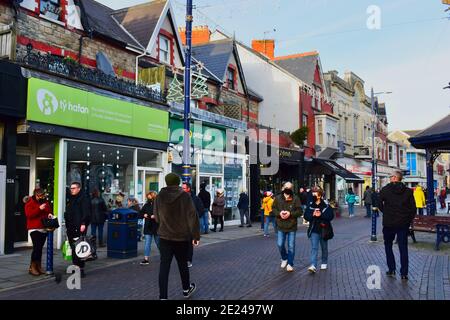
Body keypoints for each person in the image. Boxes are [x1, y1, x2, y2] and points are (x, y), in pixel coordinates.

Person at [154, 173, 200, 300]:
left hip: (164, 237)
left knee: (164, 266)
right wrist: (195, 236)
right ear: (178, 182)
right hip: (181, 237)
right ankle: (186, 289)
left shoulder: (159, 197)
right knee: (182, 264)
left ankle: (163, 296)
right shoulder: (185, 196)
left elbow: (157, 217)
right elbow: (192, 217)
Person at [378, 170, 416, 281]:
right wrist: (407, 220)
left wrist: (386, 212)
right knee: (403, 248)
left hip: (389, 223)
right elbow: (413, 209)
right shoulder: (408, 191)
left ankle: (391, 269)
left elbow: (379, 204)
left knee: (388, 246)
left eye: (391, 176)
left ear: (395, 178)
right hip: (403, 224)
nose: (390, 178)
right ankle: (404, 273)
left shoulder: (385, 190)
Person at [272, 182, 302, 272]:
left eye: (289, 187)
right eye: (286, 187)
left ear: (291, 189)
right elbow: (273, 209)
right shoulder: (277, 198)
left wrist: (290, 214)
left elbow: (300, 211)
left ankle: (290, 263)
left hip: (291, 226)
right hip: (281, 225)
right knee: (280, 244)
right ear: (283, 188)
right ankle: (284, 258)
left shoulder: (296, 198)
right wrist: (279, 214)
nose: (287, 189)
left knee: (291, 246)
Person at [304, 186, 334, 273]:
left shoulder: (326, 205)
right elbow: (306, 216)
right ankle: (313, 265)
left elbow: (330, 216)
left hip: (324, 229)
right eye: (313, 192)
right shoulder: (310, 205)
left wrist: (320, 214)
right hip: (314, 229)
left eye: (315, 193)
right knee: (314, 247)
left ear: (320, 195)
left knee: (324, 247)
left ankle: (324, 261)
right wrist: (313, 214)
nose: (313, 194)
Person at [64, 182, 91, 278]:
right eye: (71, 188)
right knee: (73, 247)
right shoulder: (71, 199)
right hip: (71, 227)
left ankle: (80, 268)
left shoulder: (83, 198)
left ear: (79, 188)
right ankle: (76, 266)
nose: (72, 190)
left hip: (79, 227)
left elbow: (86, 212)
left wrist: (83, 223)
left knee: (79, 248)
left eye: (74, 188)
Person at [24, 188, 53, 276]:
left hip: (43, 228)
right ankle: (32, 267)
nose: (41, 197)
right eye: (39, 196)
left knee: (40, 249)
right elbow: (29, 214)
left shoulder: (45, 202)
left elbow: (49, 211)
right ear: (35, 195)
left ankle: (38, 266)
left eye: (43, 195)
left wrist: (49, 214)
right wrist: (39, 208)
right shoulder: (30, 202)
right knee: (36, 248)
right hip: (34, 228)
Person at [182, 182, 204, 268]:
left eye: (183, 188)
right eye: (182, 188)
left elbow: (201, 210)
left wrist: (194, 217)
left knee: (189, 244)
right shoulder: (180, 199)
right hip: (181, 225)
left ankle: (188, 260)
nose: (182, 190)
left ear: (188, 189)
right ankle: (183, 259)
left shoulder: (195, 199)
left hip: (191, 225)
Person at [139, 191, 159, 265]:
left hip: (156, 226)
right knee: (147, 243)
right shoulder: (146, 205)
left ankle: (163, 256)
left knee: (158, 243)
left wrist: (155, 216)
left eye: (149, 195)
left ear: (153, 196)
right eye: (147, 196)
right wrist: (144, 214)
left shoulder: (158, 205)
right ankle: (146, 258)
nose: (148, 197)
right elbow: (140, 213)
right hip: (148, 226)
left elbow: (161, 214)